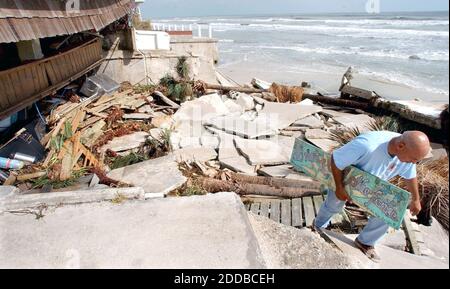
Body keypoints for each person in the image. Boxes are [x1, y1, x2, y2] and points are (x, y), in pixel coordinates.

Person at [313, 130, 431, 262]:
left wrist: (415, 199)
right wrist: (339, 188)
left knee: (391, 210)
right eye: (414, 159)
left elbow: (410, 176)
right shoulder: (367, 145)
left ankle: (365, 242)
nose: (413, 163)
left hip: (373, 183)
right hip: (348, 176)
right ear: (401, 146)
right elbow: (336, 159)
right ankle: (318, 227)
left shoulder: (407, 152)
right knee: (334, 202)